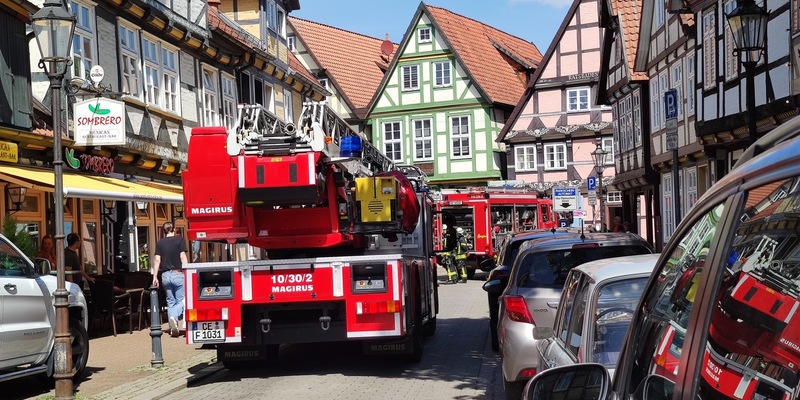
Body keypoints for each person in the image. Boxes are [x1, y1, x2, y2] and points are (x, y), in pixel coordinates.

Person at [152, 222, 188, 337]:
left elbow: (157, 260)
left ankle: (173, 327)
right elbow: (183, 257)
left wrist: (155, 276)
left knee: (170, 301)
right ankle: (174, 317)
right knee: (181, 301)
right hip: (178, 274)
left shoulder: (160, 243)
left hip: (166, 275)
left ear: (163, 230)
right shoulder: (180, 240)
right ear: (174, 229)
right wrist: (187, 271)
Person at [442, 217, 459, 284]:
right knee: (451, 266)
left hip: (448, 254)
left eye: (443, 230)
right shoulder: (448, 236)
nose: (443, 231)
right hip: (449, 254)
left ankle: (451, 279)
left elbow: (446, 247)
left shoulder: (447, 237)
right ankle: (454, 278)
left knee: (450, 267)